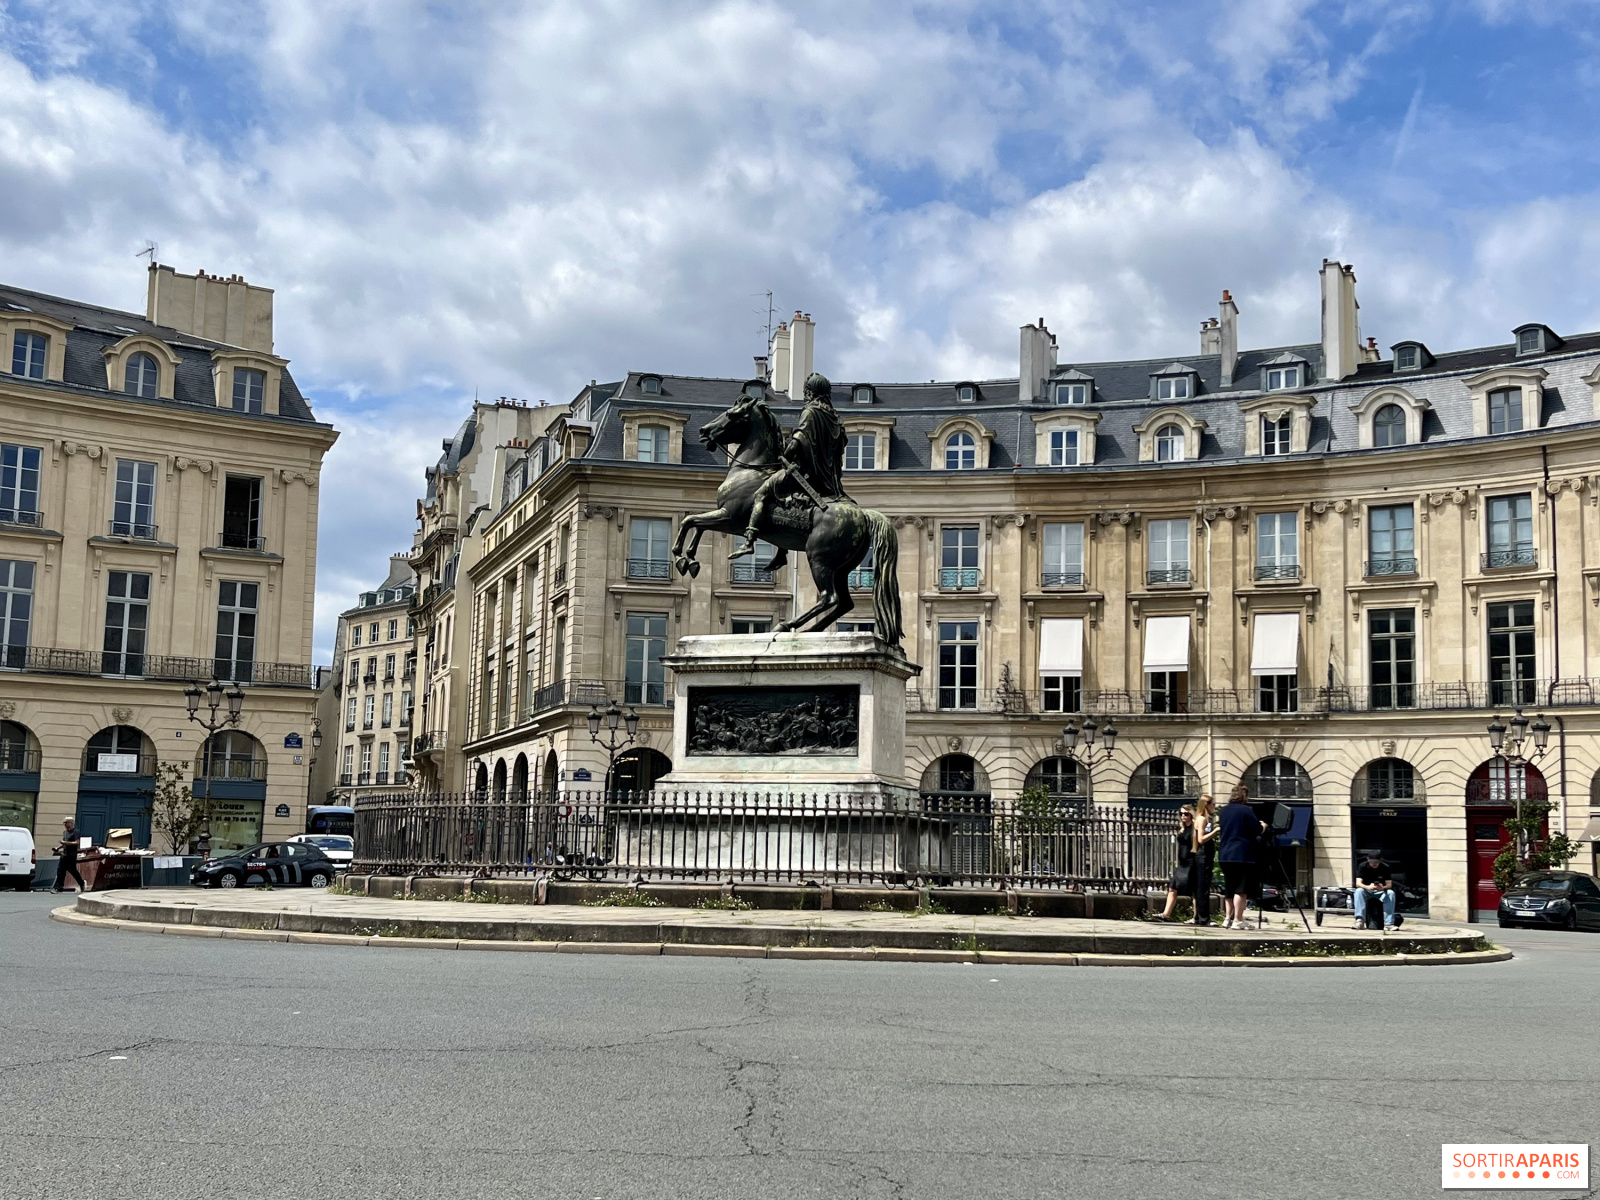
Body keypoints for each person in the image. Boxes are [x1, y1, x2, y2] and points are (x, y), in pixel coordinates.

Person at [732, 372, 846, 562]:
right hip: (827, 479)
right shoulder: (835, 418)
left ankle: (749, 541)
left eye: (806, 392)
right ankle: (781, 551)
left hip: (805, 474)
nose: (806, 396)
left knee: (761, 494)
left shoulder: (811, 412)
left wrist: (784, 454)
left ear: (810, 392)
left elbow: (799, 440)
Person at [1217, 784, 1266, 930]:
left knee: (1229, 888)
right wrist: (1263, 826)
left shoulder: (1224, 811)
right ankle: (1238, 919)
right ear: (1244, 796)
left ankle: (1227, 918)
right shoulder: (1246, 810)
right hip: (1241, 854)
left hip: (1225, 854)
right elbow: (1256, 829)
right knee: (1241, 889)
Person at [1158, 806, 1196, 920]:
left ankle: (1196, 916)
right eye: (1181, 814)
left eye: (1186, 814)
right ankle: (1166, 914)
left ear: (1191, 815)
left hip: (1191, 861)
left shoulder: (1194, 828)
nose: (1183, 816)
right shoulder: (1182, 828)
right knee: (1172, 887)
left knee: (1194, 889)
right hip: (1181, 862)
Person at [1190, 794, 1218, 925]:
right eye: (1213, 804)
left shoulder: (1207, 819)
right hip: (1203, 854)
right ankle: (1204, 917)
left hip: (1206, 854)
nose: (1214, 807)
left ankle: (1199, 916)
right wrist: (1215, 831)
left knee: (1202, 885)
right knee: (1203, 886)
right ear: (1206, 805)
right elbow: (1201, 839)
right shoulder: (1201, 819)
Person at [1353, 851, 1398, 931]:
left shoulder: (1385, 867)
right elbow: (1358, 883)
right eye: (1372, 862)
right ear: (1368, 859)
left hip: (1381, 891)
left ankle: (1389, 923)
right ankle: (1359, 920)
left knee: (1391, 893)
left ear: (1380, 861)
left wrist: (1383, 887)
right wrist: (1368, 887)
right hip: (1367, 890)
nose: (1374, 864)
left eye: (1376, 862)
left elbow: (1389, 884)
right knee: (1358, 891)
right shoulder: (1362, 866)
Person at [52, 818, 87, 894]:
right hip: (64, 854)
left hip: (71, 854)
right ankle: (58, 887)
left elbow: (77, 842)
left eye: (66, 823)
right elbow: (64, 843)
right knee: (60, 870)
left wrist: (66, 843)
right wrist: (58, 848)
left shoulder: (76, 832)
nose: (65, 825)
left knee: (72, 870)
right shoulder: (65, 832)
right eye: (64, 823)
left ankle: (81, 883)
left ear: (71, 823)